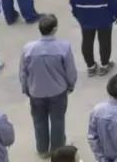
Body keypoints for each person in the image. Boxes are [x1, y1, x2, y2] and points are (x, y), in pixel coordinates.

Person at [19, 14, 77, 159]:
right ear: (54, 29)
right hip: (58, 91)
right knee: (58, 120)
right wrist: (71, 84)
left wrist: (25, 87)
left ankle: (42, 149)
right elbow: (70, 70)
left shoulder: (28, 49)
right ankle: (57, 150)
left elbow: (23, 72)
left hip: (36, 92)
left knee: (39, 121)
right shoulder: (64, 47)